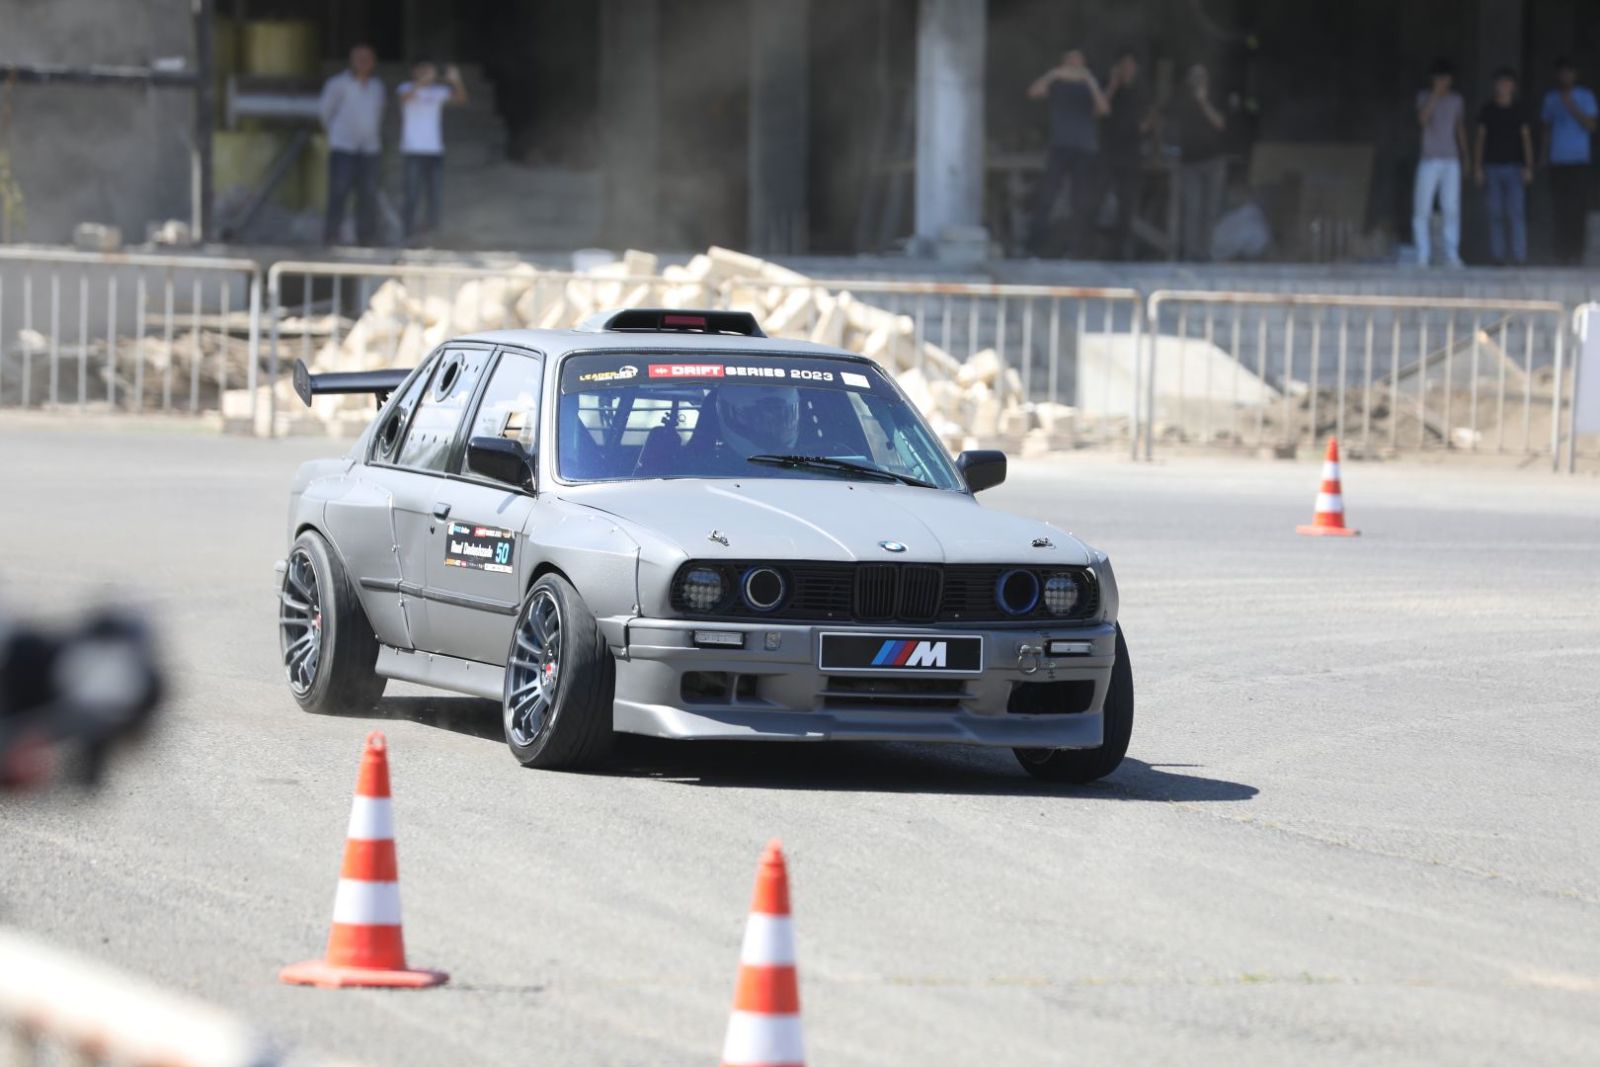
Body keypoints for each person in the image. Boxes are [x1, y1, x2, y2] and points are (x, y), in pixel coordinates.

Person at [1026, 49, 1109, 256]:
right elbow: (1033, 92)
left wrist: (1090, 81)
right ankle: (1035, 247)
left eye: (1078, 62)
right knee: (1047, 196)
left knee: (1080, 201)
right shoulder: (1057, 84)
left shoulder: (1089, 86)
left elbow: (1103, 109)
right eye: (1070, 62)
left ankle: (1078, 249)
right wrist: (1053, 74)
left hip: (1084, 148)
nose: (1074, 66)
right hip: (1059, 145)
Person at [319, 44, 385, 245]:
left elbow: (379, 113)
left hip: (370, 149)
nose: (364, 62)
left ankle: (366, 238)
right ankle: (331, 236)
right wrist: (336, 135)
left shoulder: (377, 86)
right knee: (338, 193)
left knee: (368, 195)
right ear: (352, 60)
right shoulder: (337, 84)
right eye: (360, 58)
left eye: (368, 59)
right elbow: (325, 113)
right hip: (343, 148)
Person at [397, 61, 468, 240]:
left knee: (434, 194)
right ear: (414, 71)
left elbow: (461, 99)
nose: (426, 73)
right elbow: (404, 98)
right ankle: (407, 232)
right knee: (411, 192)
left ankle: (431, 232)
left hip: (435, 150)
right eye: (422, 70)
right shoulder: (405, 87)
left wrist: (456, 80)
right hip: (412, 150)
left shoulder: (438, 91)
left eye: (429, 70)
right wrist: (422, 82)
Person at [1541, 58, 1598, 266]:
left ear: (1575, 75)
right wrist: (1543, 156)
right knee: (1559, 209)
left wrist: (1571, 105)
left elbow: (1591, 126)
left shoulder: (1586, 96)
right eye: (1562, 72)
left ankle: (1576, 253)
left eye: (1569, 72)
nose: (1566, 76)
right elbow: (1546, 129)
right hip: (1557, 160)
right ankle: (1561, 253)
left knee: (1577, 208)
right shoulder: (1551, 98)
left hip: (1579, 160)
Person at [1475, 67, 1533, 266]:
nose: (1504, 87)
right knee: (1495, 213)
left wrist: (1528, 166)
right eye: (1500, 83)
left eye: (1507, 83)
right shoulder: (1487, 110)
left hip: (1516, 168)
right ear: (1495, 85)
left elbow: (1526, 139)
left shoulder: (1520, 110)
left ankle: (1519, 256)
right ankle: (1498, 256)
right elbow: (1480, 139)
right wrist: (1478, 167)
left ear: (1513, 86)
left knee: (1516, 213)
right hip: (1492, 168)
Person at [1413, 59, 1467, 267]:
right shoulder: (1423, 97)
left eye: (1444, 78)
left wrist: (1465, 156)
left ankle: (1451, 254)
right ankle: (1422, 254)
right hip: (1429, 159)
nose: (1441, 82)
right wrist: (1435, 95)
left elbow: (1460, 128)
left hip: (1451, 160)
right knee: (1422, 208)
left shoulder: (1456, 100)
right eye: (1437, 78)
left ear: (1450, 80)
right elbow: (1423, 120)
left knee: (1451, 208)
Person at [1101, 49, 1154, 259]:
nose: (1128, 69)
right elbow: (1100, 110)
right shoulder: (1110, 88)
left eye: (1131, 65)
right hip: (1109, 153)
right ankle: (1092, 248)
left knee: (1127, 204)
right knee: (1097, 200)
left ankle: (1123, 251)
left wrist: (1145, 126)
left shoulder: (1141, 91)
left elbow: (1151, 116)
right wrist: (1113, 84)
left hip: (1132, 154)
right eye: (1124, 65)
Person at [1172, 63, 1227, 261]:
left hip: (1213, 161)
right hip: (1190, 162)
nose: (1198, 81)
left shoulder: (1215, 97)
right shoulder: (1182, 100)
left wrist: (1204, 103)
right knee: (1192, 209)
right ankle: (1190, 253)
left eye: (1201, 77)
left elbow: (1220, 124)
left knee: (1210, 210)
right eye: (1194, 77)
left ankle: (1206, 253)